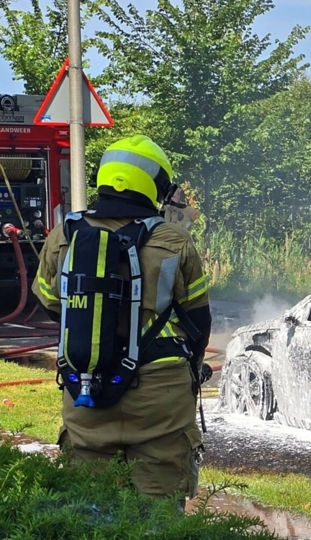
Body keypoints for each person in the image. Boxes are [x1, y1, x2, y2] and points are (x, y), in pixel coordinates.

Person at [34, 135, 212, 505]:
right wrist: (193, 371)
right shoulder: (174, 241)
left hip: (86, 393)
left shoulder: (62, 236)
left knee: (93, 515)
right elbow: (198, 322)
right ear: (155, 186)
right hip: (159, 405)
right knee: (160, 521)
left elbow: (50, 304)